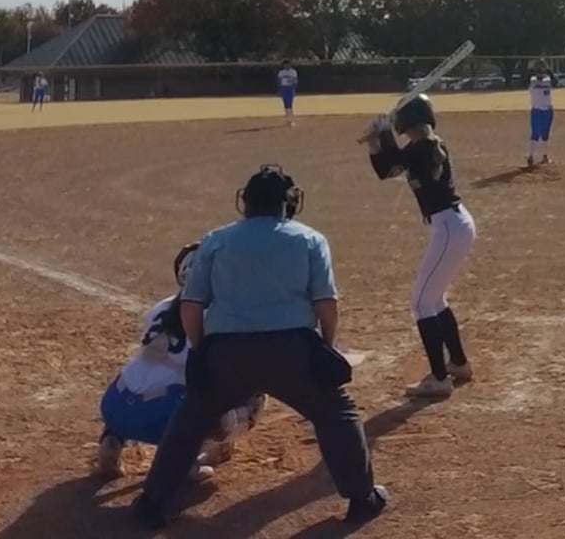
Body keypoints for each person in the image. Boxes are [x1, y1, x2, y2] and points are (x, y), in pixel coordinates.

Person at [132, 166, 387, 530]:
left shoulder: (216, 240)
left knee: (190, 418)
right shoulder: (310, 239)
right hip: (293, 349)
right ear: (289, 203)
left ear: (246, 202)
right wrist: (325, 349)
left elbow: (191, 306)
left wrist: (203, 352)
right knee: (336, 412)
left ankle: (152, 503)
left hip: (227, 351)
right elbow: (326, 304)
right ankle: (362, 498)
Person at [96, 242, 265, 481]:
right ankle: (185, 460)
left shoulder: (161, 307)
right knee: (253, 395)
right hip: (161, 418)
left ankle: (113, 438)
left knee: (150, 374)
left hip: (115, 403)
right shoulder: (224, 317)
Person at [360, 94, 476, 400]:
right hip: (452, 225)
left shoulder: (425, 148)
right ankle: (458, 363)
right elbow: (388, 170)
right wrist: (376, 142)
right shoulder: (421, 147)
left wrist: (384, 134)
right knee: (434, 299)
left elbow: (397, 160)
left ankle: (439, 379)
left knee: (421, 303)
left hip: (449, 227)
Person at [526, 62, 557, 168]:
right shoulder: (532, 81)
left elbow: (555, 81)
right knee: (535, 132)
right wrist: (531, 69)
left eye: (541, 72)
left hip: (548, 110)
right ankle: (531, 156)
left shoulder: (548, 81)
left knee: (545, 133)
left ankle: (545, 155)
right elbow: (524, 80)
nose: (540, 74)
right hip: (537, 111)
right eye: (538, 72)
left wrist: (549, 70)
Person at [277, 60, 299, 125]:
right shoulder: (281, 72)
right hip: (284, 88)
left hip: (290, 88)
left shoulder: (293, 72)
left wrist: (294, 89)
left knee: (290, 104)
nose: (286, 66)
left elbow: (295, 81)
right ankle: (287, 119)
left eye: (287, 64)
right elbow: (279, 81)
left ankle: (292, 119)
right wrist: (280, 90)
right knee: (286, 104)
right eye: (285, 65)